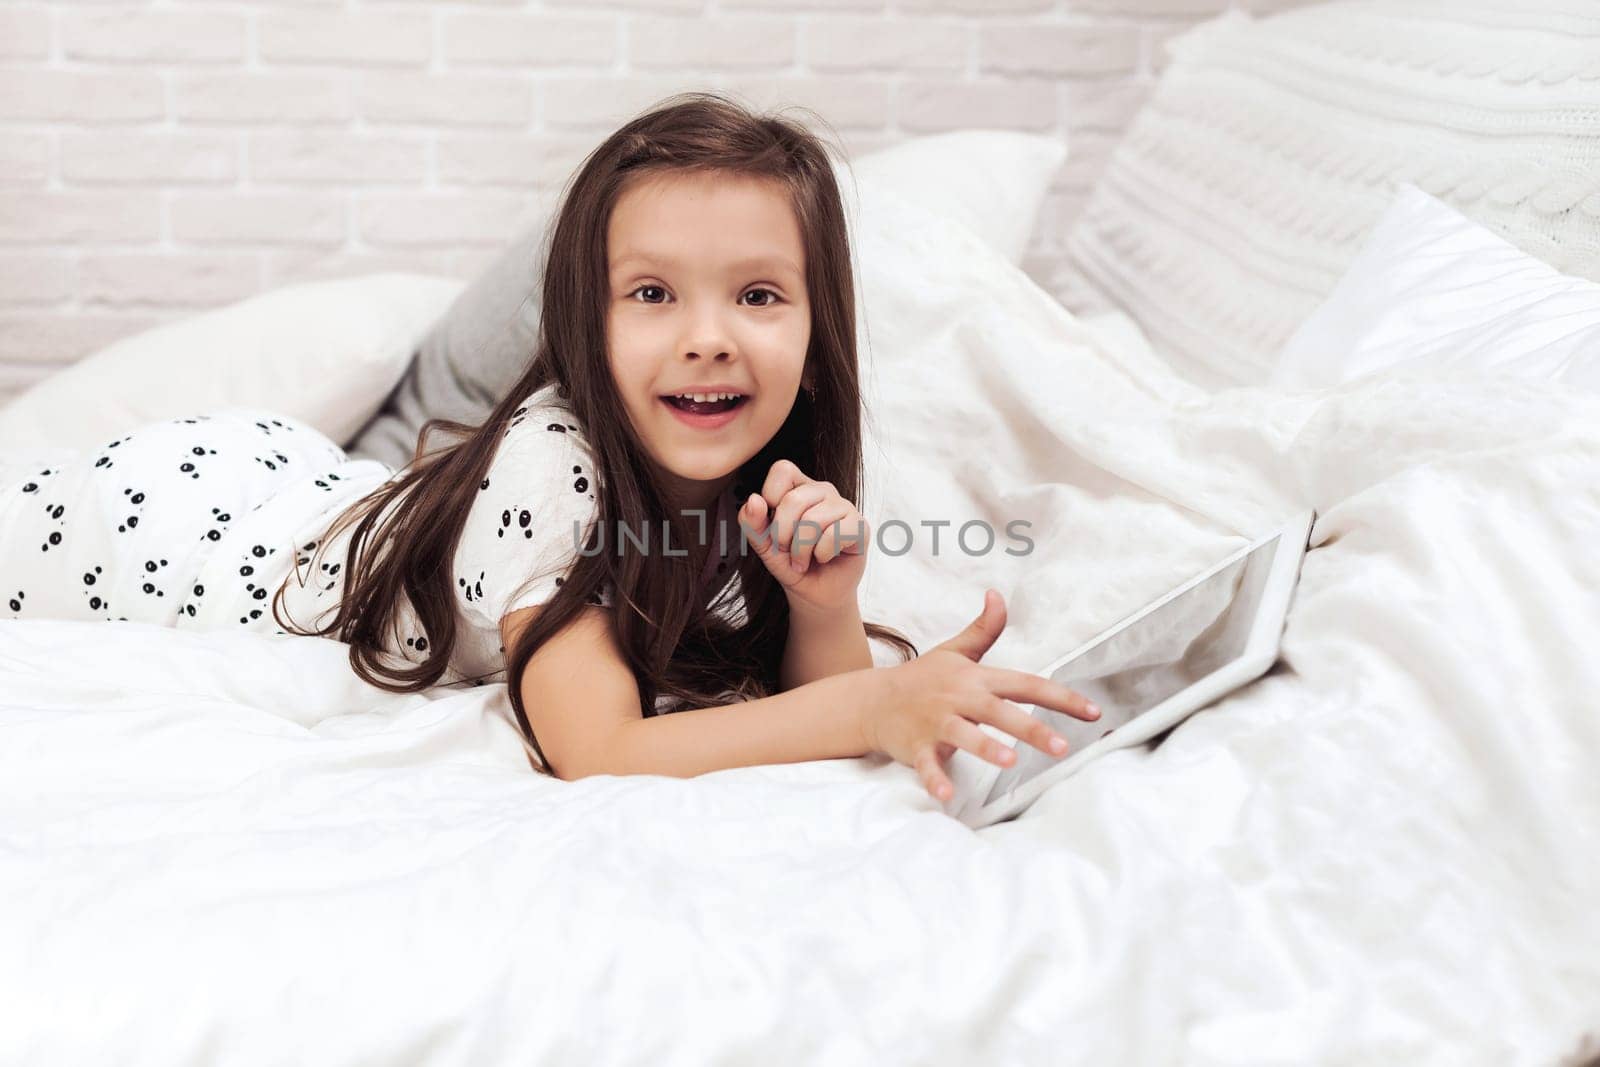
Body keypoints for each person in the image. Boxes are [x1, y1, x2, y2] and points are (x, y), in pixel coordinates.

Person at [0, 92, 1098, 803]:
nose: (707, 336)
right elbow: (599, 748)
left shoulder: (764, 474)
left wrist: (821, 605)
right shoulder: (556, 463)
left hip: (325, 491)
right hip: (189, 525)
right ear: (585, 323)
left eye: (757, 294)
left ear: (816, 343)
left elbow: (788, 689)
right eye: (653, 293)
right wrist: (872, 702)